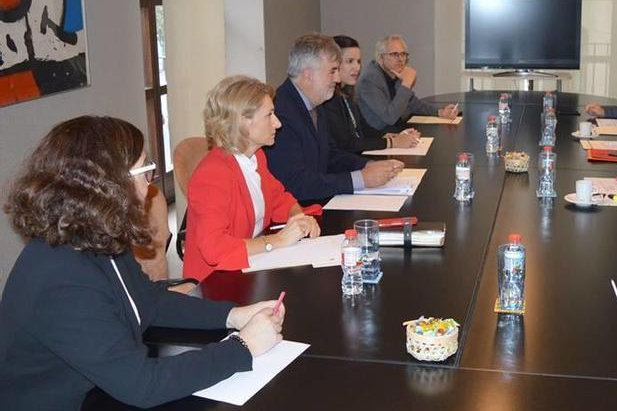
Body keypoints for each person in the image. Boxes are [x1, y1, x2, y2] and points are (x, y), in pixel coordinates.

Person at [0, 116, 285, 410]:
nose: (150, 185)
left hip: (96, 393)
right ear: (105, 185)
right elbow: (142, 384)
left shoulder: (97, 236)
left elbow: (148, 300)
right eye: (144, 170)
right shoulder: (62, 278)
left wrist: (232, 315)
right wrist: (243, 348)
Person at [183, 75, 320, 282]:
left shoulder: (255, 156)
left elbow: (279, 198)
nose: (278, 123)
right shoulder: (213, 174)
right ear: (244, 122)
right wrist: (277, 240)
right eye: (269, 115)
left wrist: (298, 218)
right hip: (216, 283)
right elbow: (214, 248)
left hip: (250, 270)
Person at [265, 33, 404, 201]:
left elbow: (329, 155)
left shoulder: (315, 101)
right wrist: (361, 179)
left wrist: (368, 165)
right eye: (332, 71)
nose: (337, 78)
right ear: (308, 74)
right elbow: (295, 183)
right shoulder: (281, 112)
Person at [322, 35, 420, 153]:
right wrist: (391, 142)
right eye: (350, 61)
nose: (357, 67)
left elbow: (362, 128)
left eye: (358, 61)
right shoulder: (328, 100)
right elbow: (347, 144)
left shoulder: (346, 94)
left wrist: (393, 136)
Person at [357, 34, 458, 132]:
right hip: (378, 136)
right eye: (394, 54)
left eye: (403, 54)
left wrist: (440, 112)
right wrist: (406, 84)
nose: (400, 59)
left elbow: (414, 104)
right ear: (380, 58)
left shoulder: (393, 72)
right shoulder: (370, 80)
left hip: (397, 129)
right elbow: (389, 117)